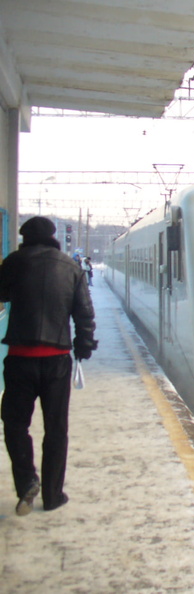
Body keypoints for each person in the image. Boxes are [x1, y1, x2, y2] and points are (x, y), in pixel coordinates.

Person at [0, 216, 97, 515]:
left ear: (24, 237)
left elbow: (2, 294)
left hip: (20, 359)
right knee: (56, 429)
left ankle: (27, 480)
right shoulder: (70, 267)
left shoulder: (14, 262)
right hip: (57, 360)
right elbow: (84, 312)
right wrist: (84, 345)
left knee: (15, 424)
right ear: (53, 236)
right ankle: (53, 495)